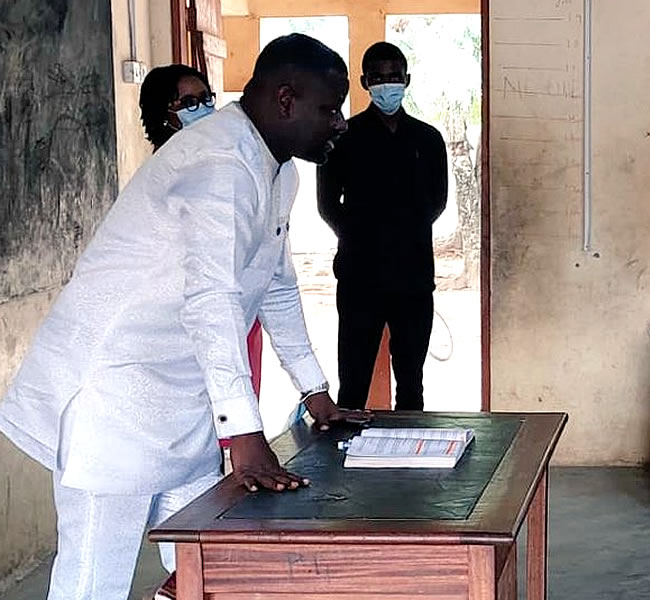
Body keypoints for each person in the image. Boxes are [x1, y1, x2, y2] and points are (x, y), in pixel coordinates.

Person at [0, 34, 353, 600]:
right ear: (286, 101)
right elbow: (211, 298)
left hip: (185, 400)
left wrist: (315, 393)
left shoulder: (277, 170)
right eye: (330, 108)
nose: (339, 123)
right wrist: (244, 432)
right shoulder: (220, 163)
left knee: (198, 570)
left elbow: (276, 287)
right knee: (94, 582)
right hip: (114, 399)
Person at [318, 41, 448, 412]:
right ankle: (345, 460)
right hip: (360, 279)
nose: (387, 84)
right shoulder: (343, 137)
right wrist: (362, 238)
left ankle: (410, 456)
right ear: (364, 82)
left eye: (394, 77)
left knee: (411, 381)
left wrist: (402, 235)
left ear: (407, 80)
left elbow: (436, 202)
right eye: (378, 77)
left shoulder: (428, 139)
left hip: (414, 279)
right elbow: (327, 206)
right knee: (354, 380)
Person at [140, 63, 266, 412]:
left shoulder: (225, 163)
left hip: (233, 309)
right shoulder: (163, 174)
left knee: (234, 409)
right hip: (185, 322)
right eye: (189, 103)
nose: (206, 109)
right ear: (165, 114)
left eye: (207, 98)